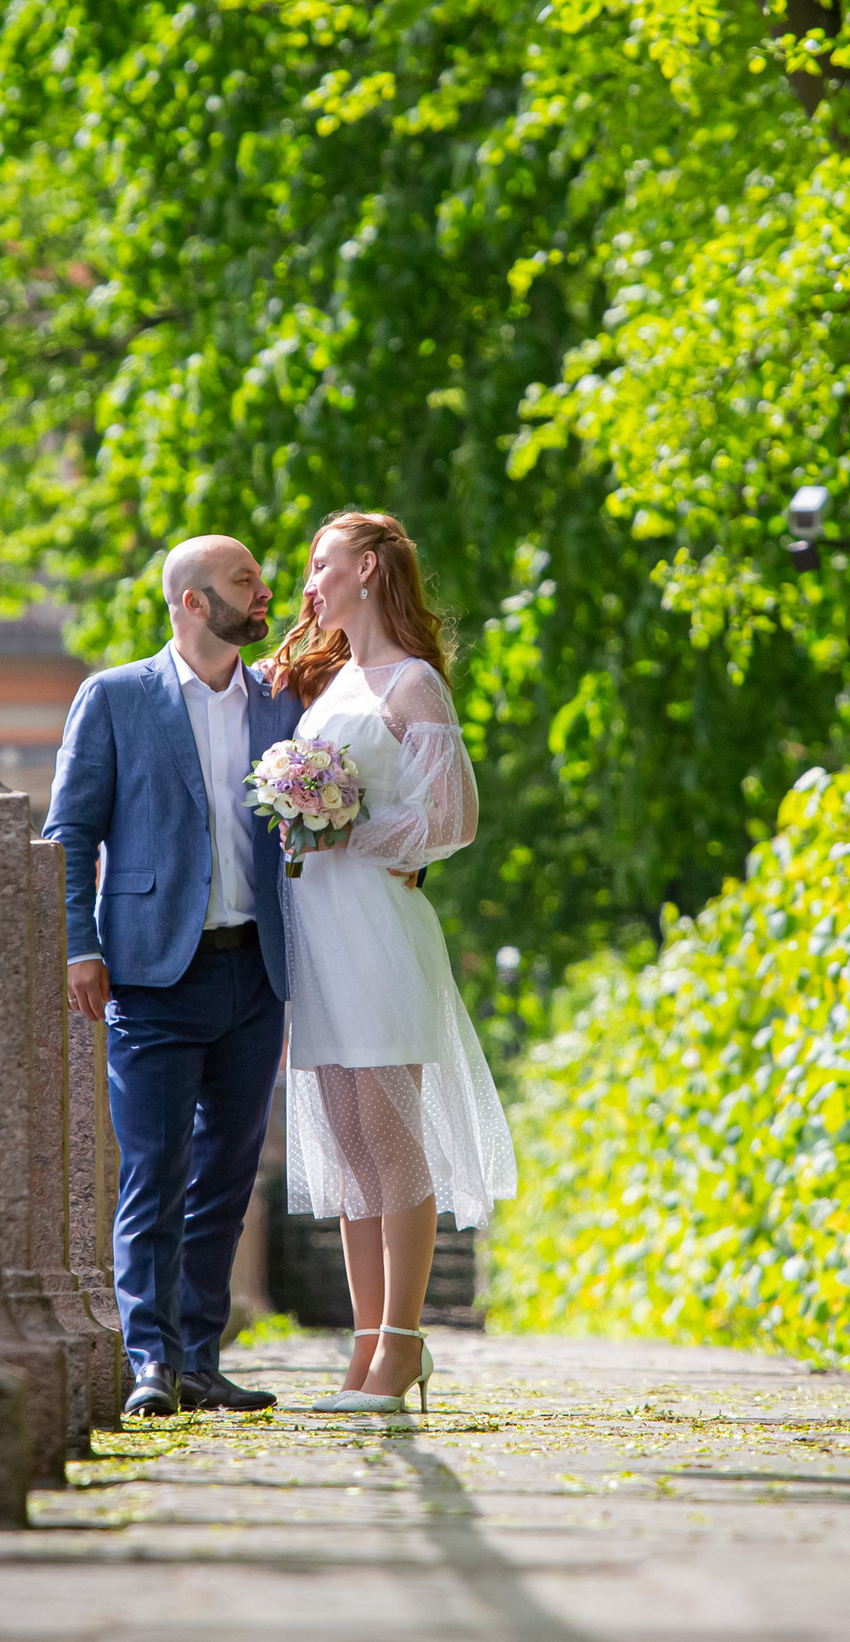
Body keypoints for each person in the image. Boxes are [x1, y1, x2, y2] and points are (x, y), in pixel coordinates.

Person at [262, 512, 518, 1413]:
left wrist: (347, 827)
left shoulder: (412, 685)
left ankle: (403, 1347)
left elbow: (453, 819)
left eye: (322, 565)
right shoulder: (324, 684)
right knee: (344, 1141)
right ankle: (366, 1342)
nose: (311, 582)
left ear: (368, 569)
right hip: (318, 933)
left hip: (376, 925)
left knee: (387, 1135)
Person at [46, 535, 301, 1417]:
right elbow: (72, 831)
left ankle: (199, 1355)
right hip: (152, 972)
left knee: (226, 1176)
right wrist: (81, 944)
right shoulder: (114, 697)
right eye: (245, 581)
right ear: (193, 601)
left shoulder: (280, 699)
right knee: (154, 1171)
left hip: (255, 970)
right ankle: (148, 1358)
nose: (265, 593)